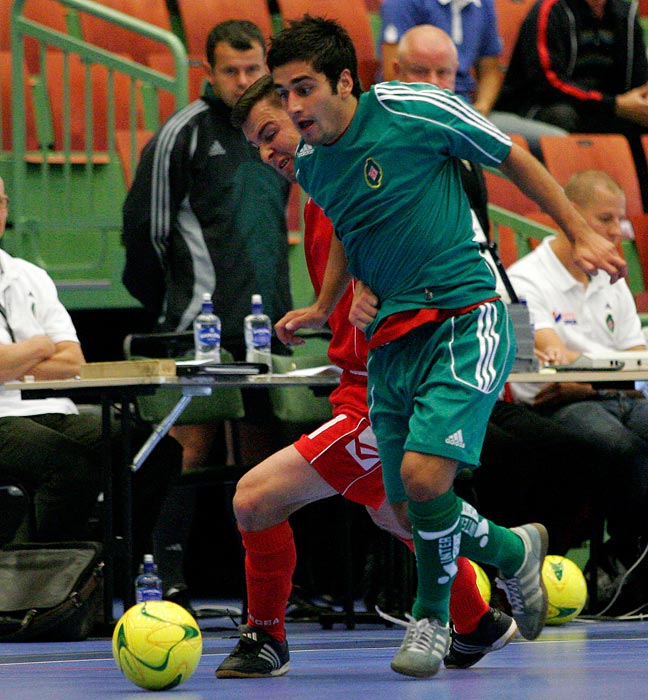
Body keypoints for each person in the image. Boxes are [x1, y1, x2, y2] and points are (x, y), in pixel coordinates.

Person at [266, 15, 626, 678]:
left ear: (346, 81)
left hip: (466, 315)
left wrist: (577, 232)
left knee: (424, 479)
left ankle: (431, 618)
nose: (292, 107)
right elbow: (352, 222)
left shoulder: (413, 107)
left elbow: (512, 156)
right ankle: (513, 552)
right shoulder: (312, 165)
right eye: (284, 92)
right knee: (403, 506)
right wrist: (329, 301)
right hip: (393, 339)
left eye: (303, 88)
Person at [215, 73, 519, 679]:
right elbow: (356, 257)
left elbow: (403, 240)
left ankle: (267, 637)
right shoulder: (319, 181)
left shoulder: (356, 170)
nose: (268, 152)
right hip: (370, 381)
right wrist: (327, 308)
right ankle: (478, 617)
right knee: (400, 513)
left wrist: (369, 291)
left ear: (309, 110)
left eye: (273, 132)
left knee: (256, 498)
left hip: (388, 383)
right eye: (256, 145)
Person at [359, 23, 607, 559]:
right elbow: (356, 228)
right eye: (418, 72)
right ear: (394, 75)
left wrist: (520, 345)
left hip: (476, 341)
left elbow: (485, 256)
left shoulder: (463, 151)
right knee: (430, 486)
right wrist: (357, 284)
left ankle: (541, 570)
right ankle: (495, 570)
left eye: (443, 74)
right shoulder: (379, 144)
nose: (432, 83)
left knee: (570, 451)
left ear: (463, 80)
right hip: (412, 350)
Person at [122, 19, 293, 471]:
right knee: (189, 451)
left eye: (252, 69)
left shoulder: (280, 134)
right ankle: (160, 544)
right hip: (201, 329)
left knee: (265, 461)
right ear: (209, 72)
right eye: (230, 71)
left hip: (265, 322)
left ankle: (248, 545)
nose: (242, 82)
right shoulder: (183, 134)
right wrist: (177, 305)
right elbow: (144, 235)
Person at [0, 176, 181, 570]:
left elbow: (73, 362)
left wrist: (18, 359)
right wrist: (40, 346)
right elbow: (46, 354)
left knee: (152, 447)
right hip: (2, 416)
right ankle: (31, 581)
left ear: (6, 208)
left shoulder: (29, 275)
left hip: (54, 409)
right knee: (70, 466)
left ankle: (116, 569)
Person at [507, 169, 648, 611]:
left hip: (610, 394)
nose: (615, 231)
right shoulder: (525, 279)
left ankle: (633, 559)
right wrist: (601, 377)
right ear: (566, 218)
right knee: (618, 446)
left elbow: (638, 358)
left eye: (620, 220)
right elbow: (551, 362)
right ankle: (624, 565)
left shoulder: (612, 275)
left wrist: (588, 377)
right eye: (604, 219)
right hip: (553, 405)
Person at [494, 0, 648, 203]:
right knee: (563, 116)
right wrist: (613, 104)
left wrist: (638, 102)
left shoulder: (625, 13)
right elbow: (548, 81)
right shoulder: (549, 10)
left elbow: (637, 79)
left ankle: (639, 212)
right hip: (543, 106)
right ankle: (571, 205)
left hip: (606, 108)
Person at [379, 0, 568, 158]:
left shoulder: (483, 4)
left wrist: (481, 107)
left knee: (558, 141)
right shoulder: (402, 3)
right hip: (414, 112)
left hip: (467, 109)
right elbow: (392, 75)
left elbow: (490, 70)